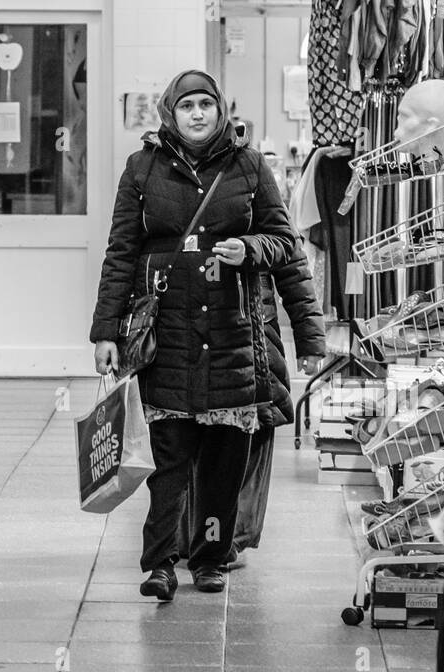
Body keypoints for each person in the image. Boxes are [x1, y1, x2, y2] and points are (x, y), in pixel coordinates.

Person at [90, 69, 297, 601]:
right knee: (168, 462)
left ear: (221, 110)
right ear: (171, 113)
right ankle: (159, 564)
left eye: (207, 104)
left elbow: (283, 243)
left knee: (224, 464)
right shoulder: (143, 167)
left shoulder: (249, 165)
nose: (198, 114)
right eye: (188, 106)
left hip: (233, 334)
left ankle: (210, 559)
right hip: (168, 335)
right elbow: (121, 253)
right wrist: (106, 330)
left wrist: (249, 249)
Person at [178, 235, 325, 570]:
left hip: (252, 332)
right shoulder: (171, 185)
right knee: (188, 437)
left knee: (250, 435)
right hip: (187, 328)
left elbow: (290, 264)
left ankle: (228, 537)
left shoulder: (252, 186)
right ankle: (194, 535)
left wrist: (310, 339)